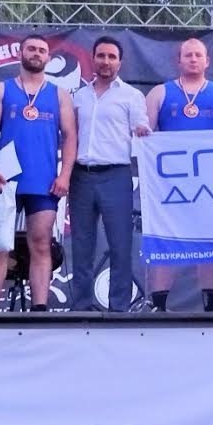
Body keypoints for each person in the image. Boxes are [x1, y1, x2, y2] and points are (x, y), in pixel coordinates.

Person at [144, 38, 213, 312]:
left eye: (198, 55)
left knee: (209, 241)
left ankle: (211, 306)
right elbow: (143, 136)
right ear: (178, 60)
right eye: (187, 55)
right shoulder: (159, 93)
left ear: (207, 61)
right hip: (170, 185)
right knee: (167, 241)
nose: (193, 59)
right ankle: (159, 306)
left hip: (210, 184)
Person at [0, 34, 76, 312]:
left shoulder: (59, 95)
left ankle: (40, 309)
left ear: (48, 58)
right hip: (5, 179)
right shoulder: (1, 90)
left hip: (43, 181)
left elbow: (70, 136)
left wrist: (65, 175)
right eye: (31, 49)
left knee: (41, 244)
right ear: (21, 53)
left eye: (42, 50)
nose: (36, 53)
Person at [69, 36, 150, 312]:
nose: (106, 61)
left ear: (120, 62)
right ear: (93, 59)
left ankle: (119, 310)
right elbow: (69, 135)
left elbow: (141, 127)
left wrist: (142, 131)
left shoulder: (131, 96)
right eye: (101, 55)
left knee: (120, 245)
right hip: (81, 176)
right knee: (81, 245)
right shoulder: (79, 96)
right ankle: (80, 307)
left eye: (111, 57)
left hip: (116, 175)